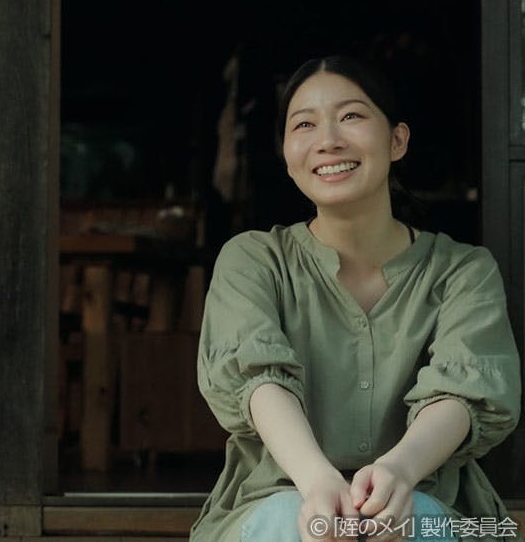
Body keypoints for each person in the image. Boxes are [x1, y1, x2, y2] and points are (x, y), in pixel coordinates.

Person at [190, 56, 521, 542]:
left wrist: (399, 473)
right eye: (304, 124)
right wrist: (317, 482)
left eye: (351, 116)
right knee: (289, 522)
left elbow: (466, 391)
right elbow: (257, 380)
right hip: (277, 498)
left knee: (419, 522)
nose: (328, 140)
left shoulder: (463, 270)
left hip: (431, 497)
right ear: (286, 153)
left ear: (397, 140)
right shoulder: (252, 260)